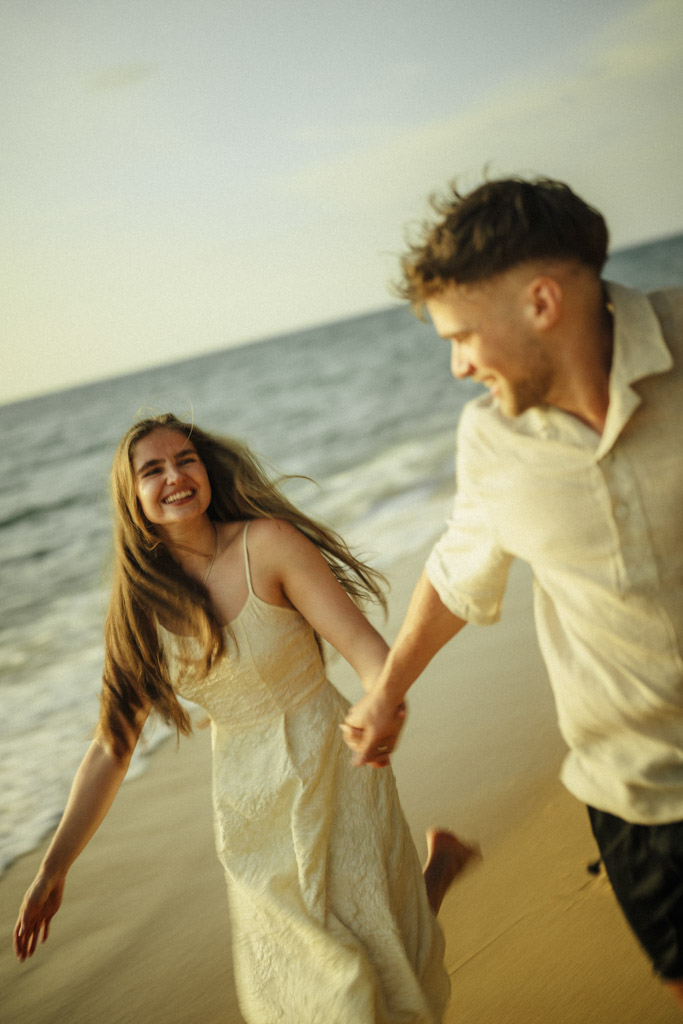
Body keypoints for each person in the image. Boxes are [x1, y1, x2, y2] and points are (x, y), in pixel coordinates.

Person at [13, 413, 478, 1024]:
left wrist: (382, 699)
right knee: (325, 981)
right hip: (248, 804)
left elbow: (366, 651)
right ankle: (435, 875)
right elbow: (111, 749)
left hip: (335, 767)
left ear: (205, 468)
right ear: (131, 498)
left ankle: (432, 879)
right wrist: (53, 867)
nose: (176, 477)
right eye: (153, 470)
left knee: (372, 945)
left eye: (186, 460)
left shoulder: (268, 543)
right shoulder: (138, 610)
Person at [341, 176, 683, 1005]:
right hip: (635, 797)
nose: (456, 365)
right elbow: (460, 569)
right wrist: (387, 692)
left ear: (540, 303)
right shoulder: (490, 440)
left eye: (460, 336)